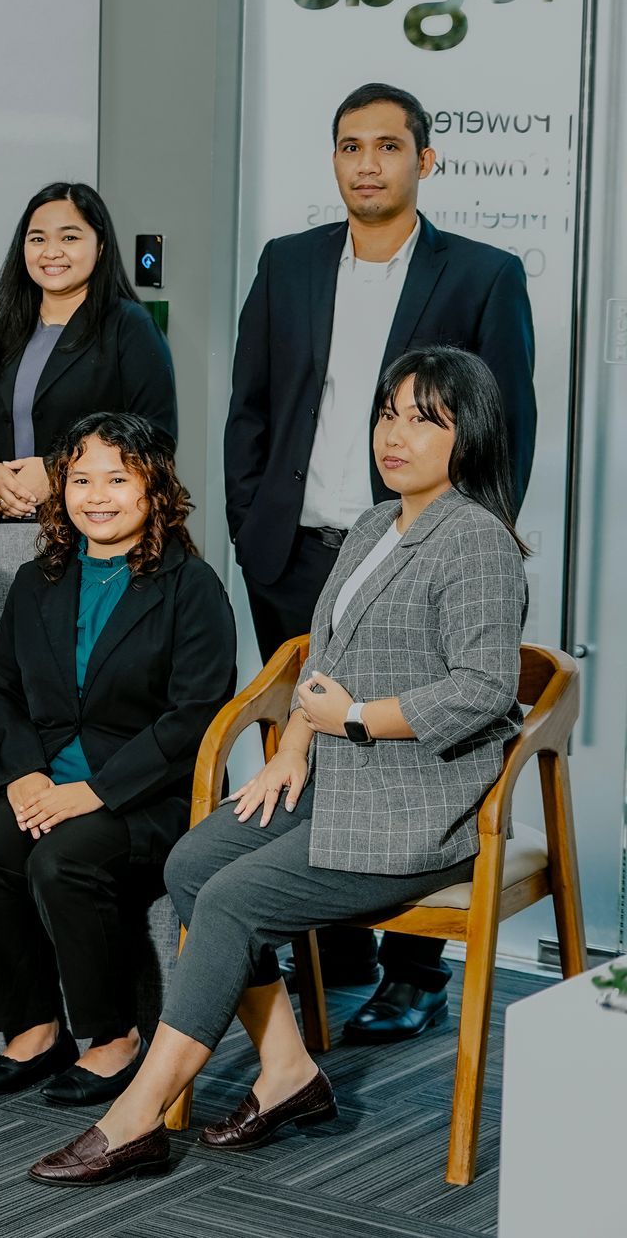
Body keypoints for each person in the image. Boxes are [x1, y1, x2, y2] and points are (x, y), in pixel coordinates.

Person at [29, 347, 527, 1186]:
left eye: (422, 419)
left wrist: (357, 720)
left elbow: (485, 689)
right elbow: (320, 656)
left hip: (415, 805)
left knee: (232, 898)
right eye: (387, 412)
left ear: (469, 436)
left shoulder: (475, 542)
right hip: (332, 775)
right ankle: (291, 1072)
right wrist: (292, 746)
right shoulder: (375, 523)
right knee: (193, 862)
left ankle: (137, 1114)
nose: (393, 434)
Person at [224, 81, 537, 1040]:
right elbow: (251, 408)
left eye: (389, 147)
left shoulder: (482, 274)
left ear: (424, 161)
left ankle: (415, 972)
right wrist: (251, 526)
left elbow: (506, 428)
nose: (368, 163)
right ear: (334, 160)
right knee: (309, 751)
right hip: (295, 551)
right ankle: (338, 948)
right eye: (350, 146)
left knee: (409, 750)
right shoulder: (287, 264)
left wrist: (458, 550)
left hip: (418, 559)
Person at [0, 412, 234, 1108]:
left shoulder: (191, 588)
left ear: (155, 490)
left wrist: (96, 792)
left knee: (61, 859)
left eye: (118, 477)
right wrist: (21, 774)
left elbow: (193, 718)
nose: (97, 495)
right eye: (81, 479)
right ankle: (33, 1030)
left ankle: (113, 1040)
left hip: (148, 795)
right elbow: (0, 689)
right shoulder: (37, 580)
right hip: (44, 777)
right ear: (60, 489)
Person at [0, 182, 175, 522]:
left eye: (69, 238)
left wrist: (58, 469)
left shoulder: (129, 326)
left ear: (100, 247)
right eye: (37, 238)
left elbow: (156, 435)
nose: (51, 252)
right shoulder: (0, 328)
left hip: (92, 529)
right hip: (2, 529)